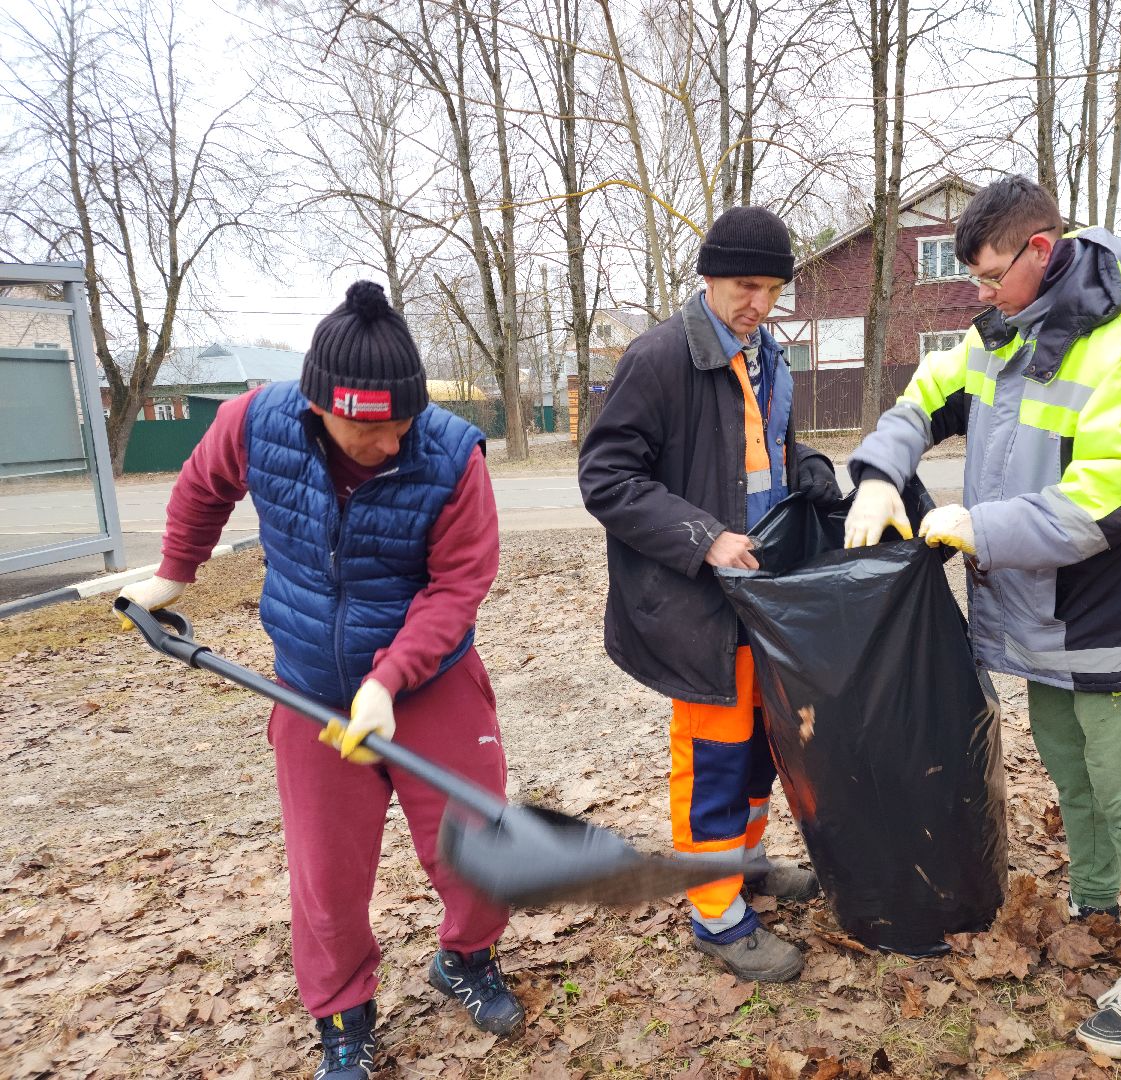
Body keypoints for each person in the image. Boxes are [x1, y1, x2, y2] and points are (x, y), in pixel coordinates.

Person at [118, 282, 524, 1078]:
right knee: (327, 877)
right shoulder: (257, 423)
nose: (385, 440)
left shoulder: (451, 456)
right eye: (364, 426)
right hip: (307, 685)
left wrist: (389, 678)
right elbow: (203, 487)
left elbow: (459, 585)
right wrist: (175, 573)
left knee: (477, 844)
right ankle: (344, 1015)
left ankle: (467, 958)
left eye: (399, 422)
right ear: (316, 406)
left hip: (429, 680)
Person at [845, 176, 1121, 1059]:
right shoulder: (1001, 330)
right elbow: (921, 399)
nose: (980, 294)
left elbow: (1112, 497)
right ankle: (1098, 899)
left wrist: (980, 526)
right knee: (1073, 774)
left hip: (1111, 617)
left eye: (992, 274)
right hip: (1038, 613)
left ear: (1042, 249)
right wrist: (881, 471)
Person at [578, 206, 843, 983]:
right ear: (708, 278)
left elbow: (776, 448)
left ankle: (750, 869)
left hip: (767, 598)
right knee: (716, 761)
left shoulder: (769, 358)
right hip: (700, 605)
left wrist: (814, 474)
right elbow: (606, 479)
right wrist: (704, 538)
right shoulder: (659, 358)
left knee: (763, 749)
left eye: (770, 289)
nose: (757, 302)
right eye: (742, 286)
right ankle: (717, 917)